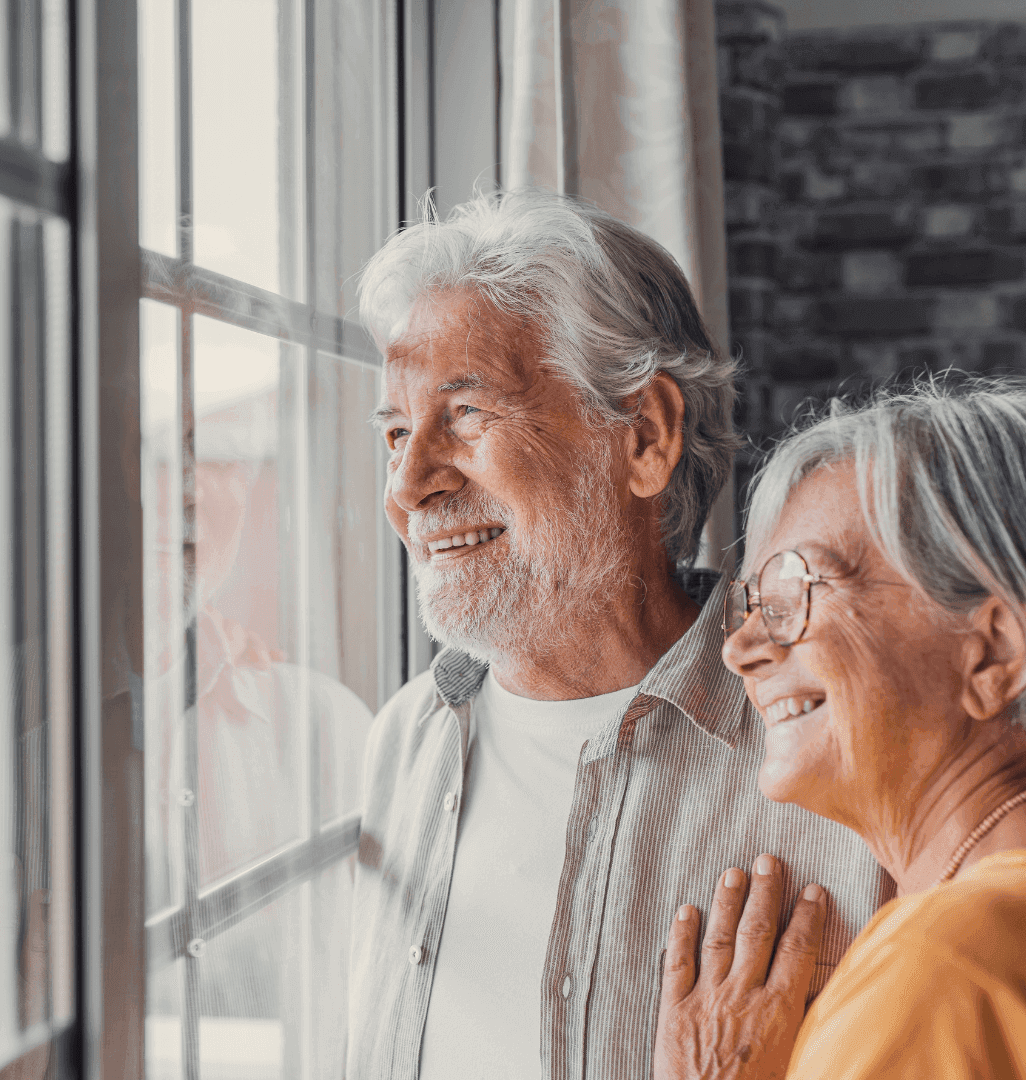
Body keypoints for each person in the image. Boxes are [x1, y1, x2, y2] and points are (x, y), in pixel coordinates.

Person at [346, 190, 893, 1080]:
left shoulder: (838, 752)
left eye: (466, 415)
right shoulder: (403, 743)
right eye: (396, 432)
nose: (408, 485)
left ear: (643, 436)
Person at [653, 377, 1026, 1080]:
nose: (741, 650)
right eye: (751, 606)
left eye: (793, 596)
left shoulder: (944, 969)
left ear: (994, 650)